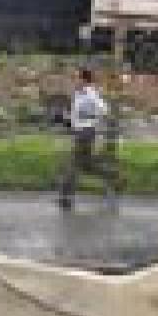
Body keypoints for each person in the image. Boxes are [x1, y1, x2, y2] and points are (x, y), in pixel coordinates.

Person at [57, 68, 115, 210]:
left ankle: (65, 196)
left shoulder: (91, 94)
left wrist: (92, 119)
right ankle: (110, 176)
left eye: (76, 78)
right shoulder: (77, 94)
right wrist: (66, 119)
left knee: (72, 163)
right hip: (79, 131)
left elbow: (104, 110)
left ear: (84, 80)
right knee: (87, 165)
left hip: (87, 132)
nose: (73, 80)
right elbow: (75, 116)